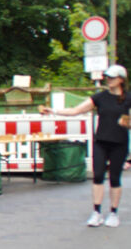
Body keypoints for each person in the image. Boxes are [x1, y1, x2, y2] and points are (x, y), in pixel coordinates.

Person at [40, 64, 131, 227]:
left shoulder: (128, 98)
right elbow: (76, 111)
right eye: (107, 77)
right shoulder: (100, 97)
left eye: (112, 77)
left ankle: (113, 213)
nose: (108, 80)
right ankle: (96, 212)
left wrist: (128, 123)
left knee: (115, 178)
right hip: (101, 142)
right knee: (97, 176)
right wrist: (53, 111)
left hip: (119, 143)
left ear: (121, 80)